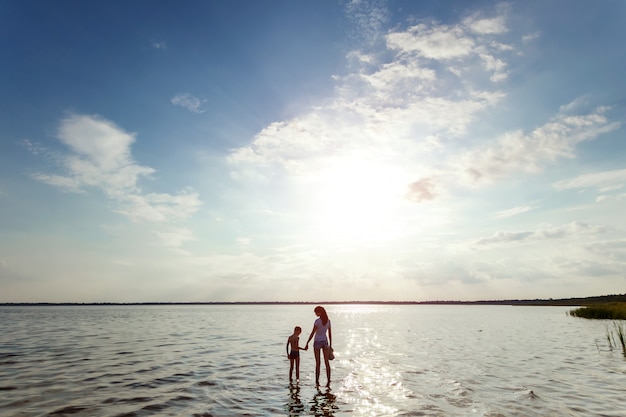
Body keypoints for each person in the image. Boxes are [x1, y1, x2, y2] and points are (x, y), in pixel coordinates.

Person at [304, 305, 333, 387]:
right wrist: (330, 345)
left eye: (316, 312)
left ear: (319, 312)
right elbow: (330, 334)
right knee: (326, 362)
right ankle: (328, 380)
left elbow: (313, 333)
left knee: (318, 363)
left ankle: (317, 381)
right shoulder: (328, 321)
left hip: (317, 342)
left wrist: (307, 342)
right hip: (325, 341)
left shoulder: (317, 321)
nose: (315, 314)